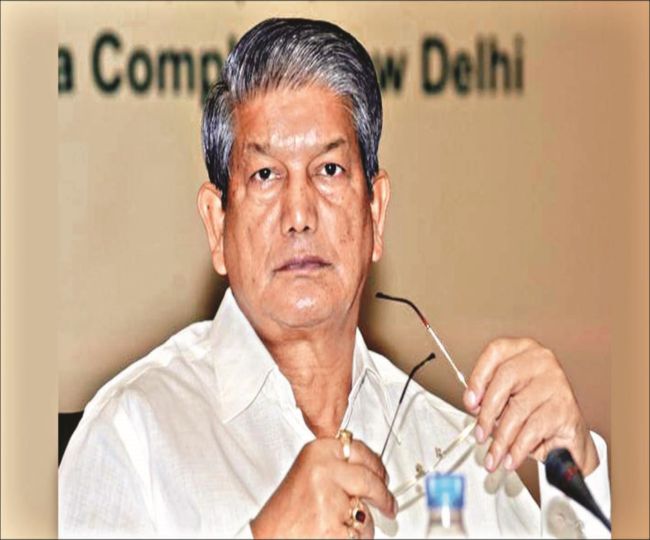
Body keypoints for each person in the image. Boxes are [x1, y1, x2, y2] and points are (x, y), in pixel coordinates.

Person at [59, 18, 611, 539]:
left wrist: (574, 475)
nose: (299, 214)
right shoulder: (130, 434)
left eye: (329, 170)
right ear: (217, 223)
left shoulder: (456, 454)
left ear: (376, 212)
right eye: (265, 174)